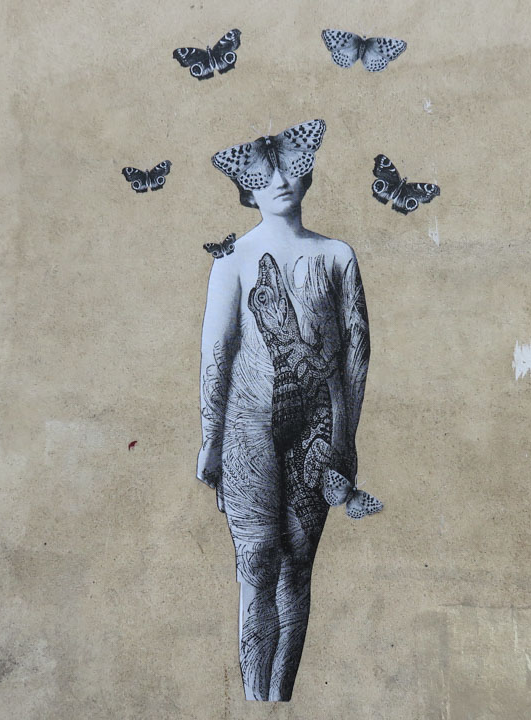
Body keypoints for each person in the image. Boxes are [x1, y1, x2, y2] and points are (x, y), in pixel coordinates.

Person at [199, 120, 380, 701]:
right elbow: (218, 351)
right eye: (264, 174)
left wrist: (345, 437)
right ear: (246, 188)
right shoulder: (234, 258)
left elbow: (357, 351)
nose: (279, 182)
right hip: (247, 430)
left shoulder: (336, 255)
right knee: (256, 564)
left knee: (297, 567)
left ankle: (279, 699)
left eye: (289, 169)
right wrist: (210, 438)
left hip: (317, 430)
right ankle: (256, 698)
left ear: (307, 175)